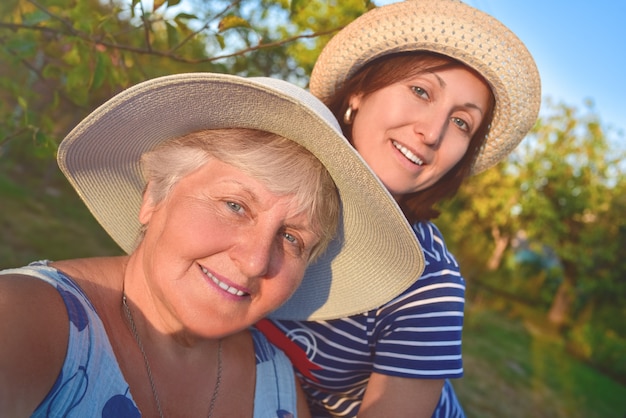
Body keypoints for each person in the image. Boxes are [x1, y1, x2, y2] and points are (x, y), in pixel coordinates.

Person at [0, 73, 425, 417]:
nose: (256, 260)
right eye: (235, 205)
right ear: (153, 196)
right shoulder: (26, 318)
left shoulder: (276, 380)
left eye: (292, 238)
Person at [257, 0, 542, 417]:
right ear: (359, 90)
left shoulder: (427, 282)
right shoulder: (268, 187)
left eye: (462, 122)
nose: (431, 133)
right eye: (421, 91)